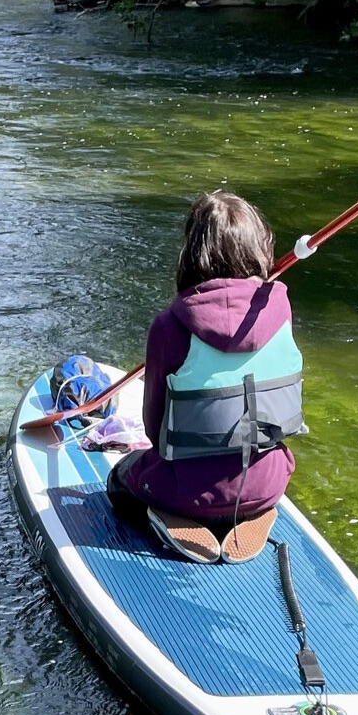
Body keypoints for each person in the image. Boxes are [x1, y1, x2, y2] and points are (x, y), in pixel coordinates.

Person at [107, 189, 304, 541]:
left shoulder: (169, 326)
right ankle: (241, 511)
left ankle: (177, 516)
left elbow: (156, 429)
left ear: (192, 252)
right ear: (259, 248)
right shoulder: (282, 312)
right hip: (270, 482)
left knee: (120, 477)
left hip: (185, 493)